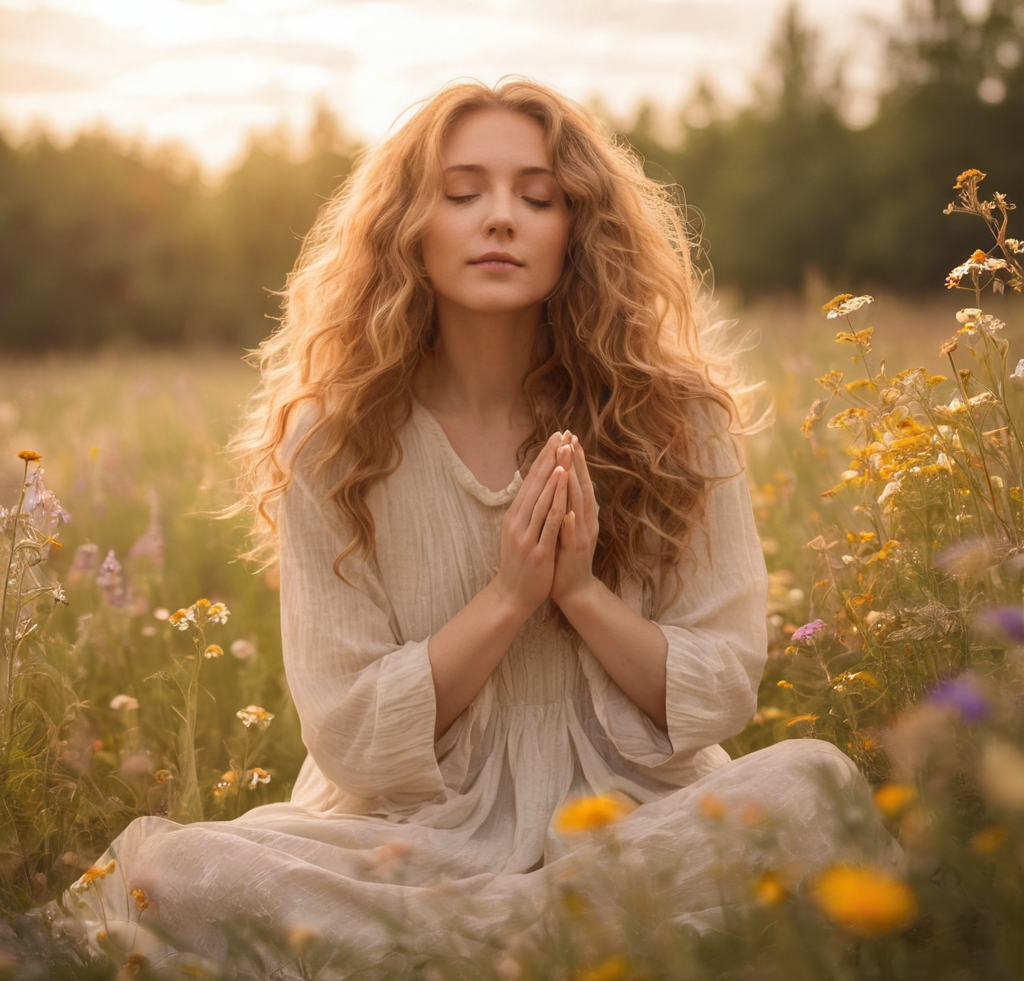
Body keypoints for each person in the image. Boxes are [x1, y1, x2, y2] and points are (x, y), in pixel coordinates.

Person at [57, 79, 891, 977]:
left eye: (538, 197)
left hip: (637, 817)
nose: (500, 218)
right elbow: (349, 735)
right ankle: (560, 938)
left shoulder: (677, 419)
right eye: (462, 194)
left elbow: (721, 687)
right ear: (409, 226)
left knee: (814, 784)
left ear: (578, 228)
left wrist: (579, 593)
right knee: (174, 873)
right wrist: (507, 598)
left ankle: (471, 945)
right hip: (409, 837)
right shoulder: (332, 441)